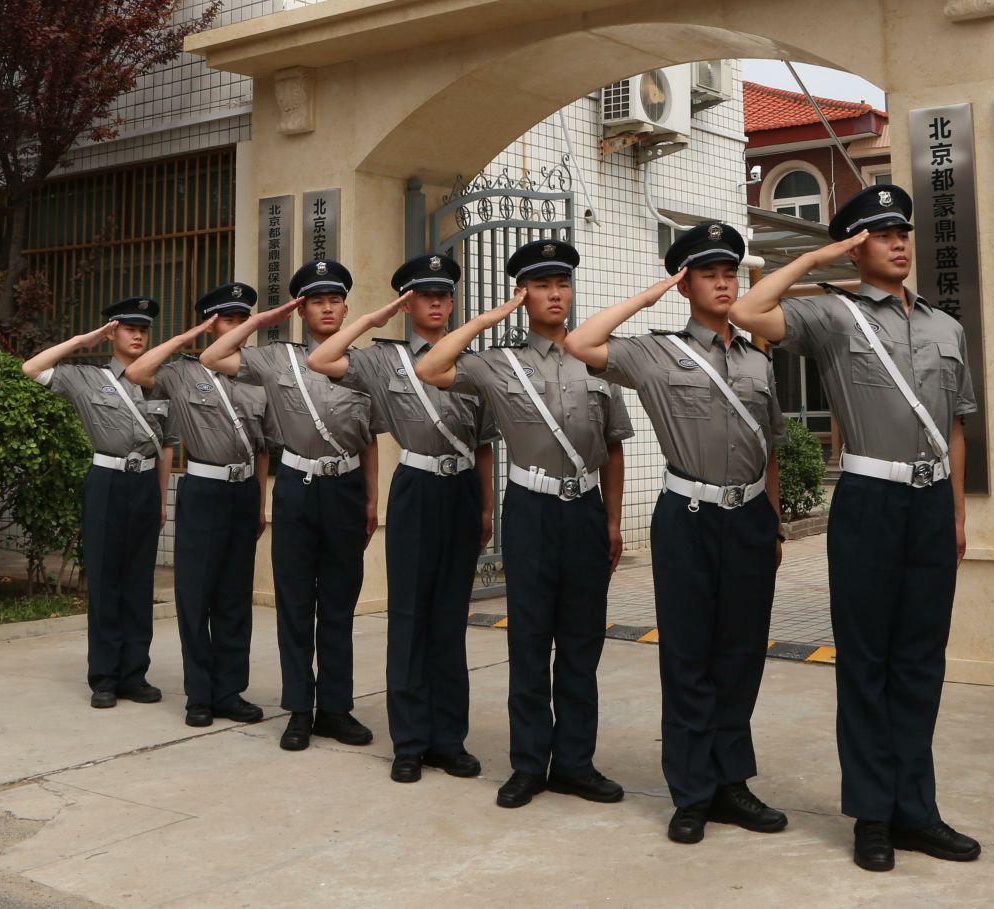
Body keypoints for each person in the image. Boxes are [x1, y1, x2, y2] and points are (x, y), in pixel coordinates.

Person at [730, 184, 979, 873]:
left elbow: (957, 429)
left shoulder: (946, 327)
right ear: (856, 246)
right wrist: (820, 256)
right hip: (869, 500)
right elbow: (750, 309)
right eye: (880, 234)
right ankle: (873, 814)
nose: (898, 242)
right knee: (867, 660)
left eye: (903, 232)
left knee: (921, 661)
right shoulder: (833, 315)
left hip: (931, 506)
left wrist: (957, 513)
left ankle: (916, 811)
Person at [566, 222, 788, 845]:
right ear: (686, 284)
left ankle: (731, 783)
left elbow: (770, 448)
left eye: (730, 272)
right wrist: (650, 295)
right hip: (687, 518)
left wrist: (773, 523)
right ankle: (692, 791)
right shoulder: (656, 354)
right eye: (708, 273)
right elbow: (582, 342)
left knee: (741, 654)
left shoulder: (758, 361)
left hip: (749, 519)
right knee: (689, 655)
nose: (723, 283)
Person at [416, 239, 632, 810]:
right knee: (530, 641)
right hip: (531, 512)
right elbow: (430, 367)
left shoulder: (597, 359)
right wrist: (490, 318)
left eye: (562, 283)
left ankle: (576, 764)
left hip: (585, 511)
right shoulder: (497, 363)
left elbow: (613, 446)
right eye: (541, 285)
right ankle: (530, 764)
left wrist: (612, 521)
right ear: (523, 294)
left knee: (582, 643)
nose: (555, 294)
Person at [306, 253, 494, 784]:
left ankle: (448, 740)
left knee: (449, 618)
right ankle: (409, 741)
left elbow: (483, 444)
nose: (436, 303)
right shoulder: (381, 360)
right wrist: (372, 318)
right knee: (409, 616)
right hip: (415, 488)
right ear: (407, 304)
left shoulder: (472, 362)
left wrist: (485, 507)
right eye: (424, 295)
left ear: (452, 302)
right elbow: (321, 359)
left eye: (443, 294)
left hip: (462, 489)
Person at [201, 260, 378, 752]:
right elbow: (213, 357)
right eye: (317, 301)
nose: (328, 308)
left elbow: (368, 438)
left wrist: (371, 498)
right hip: (297, 488)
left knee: (339, 603)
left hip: (345, 489)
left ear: (346, 308)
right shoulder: (276, 359)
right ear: (301, 310)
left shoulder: (363, 365)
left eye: (335, 300)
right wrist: (262, 320)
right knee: (296, 603)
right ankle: (300, 709)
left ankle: (336, 709)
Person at [127, 282, 272, 729]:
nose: (237, 327)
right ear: (211, 325)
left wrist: (261, 502)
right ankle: (200, 694)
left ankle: (229, 691)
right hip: (203, 491)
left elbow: (263, 448)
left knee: (234, 596)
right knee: (196, 595)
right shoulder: (182, 373)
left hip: (244, 493)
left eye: (242, 319)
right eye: (227, 320)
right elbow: (137, 372)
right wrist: (186, 337)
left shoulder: (259, 373)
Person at [23, 297, 174, 710]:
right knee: (106, 581)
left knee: (139, 583)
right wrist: (82, 340)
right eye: (129, 328)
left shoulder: (160, 380)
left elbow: (167, 446)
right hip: (107, 482)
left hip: (145, 484)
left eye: (143, 329)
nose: (138, 335)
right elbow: (31, 368)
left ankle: (134, 674)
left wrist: (162, 500)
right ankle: (104, 677)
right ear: (112, 333)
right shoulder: (87, 379)